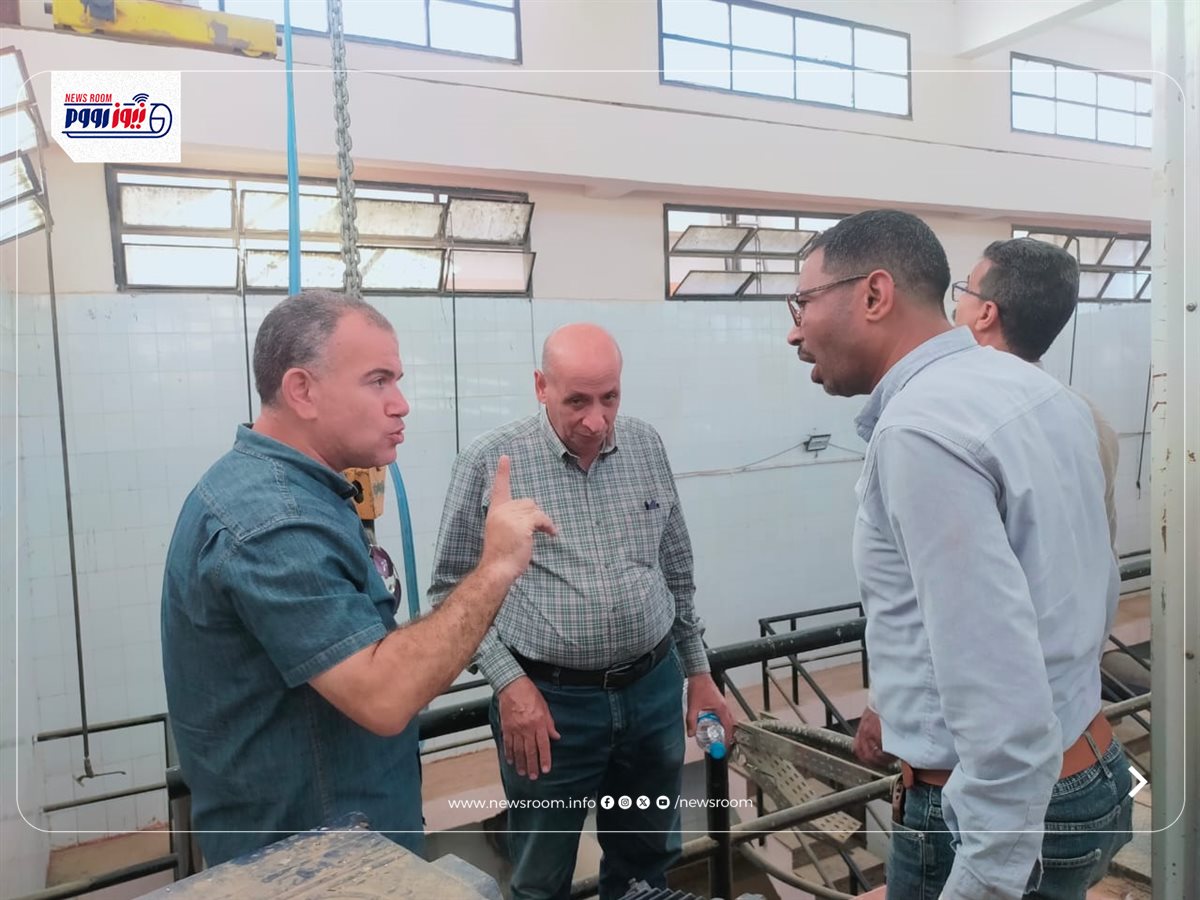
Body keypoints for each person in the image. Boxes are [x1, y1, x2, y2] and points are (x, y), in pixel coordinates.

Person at [785, 211, 1131, 899]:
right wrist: (896, 701)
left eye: (803, 302)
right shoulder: (1045, 394)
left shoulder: (922, 430)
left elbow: (998, 687)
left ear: (874, 295)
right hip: (1092, 764)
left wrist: (986, 875)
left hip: (992, 816)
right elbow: (1087, 592)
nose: (795, 331)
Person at [161, 290, 555, 866]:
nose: (401, 404)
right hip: (312, 865)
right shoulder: (274, 523)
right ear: (302, 390)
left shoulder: (303, 493)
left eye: (397, 381)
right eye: (378, 381)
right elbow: (384, 696)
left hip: (343, 843)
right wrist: (496, 564)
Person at [429, 323, 732, 900]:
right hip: (549, 707)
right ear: (540, 386)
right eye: (577, 401)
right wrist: (509, 683)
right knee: (542, 877)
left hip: (652, 692)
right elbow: (449, 592)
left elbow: (676, 569)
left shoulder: (645, 445)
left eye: (609, 398)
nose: (596, 421)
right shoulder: (490, 464)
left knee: (646, 864)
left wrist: (697, 671)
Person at [854, 236, 1122, 767]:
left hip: (990, 752)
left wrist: (887, 703)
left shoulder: (935, 426)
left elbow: (954, 611)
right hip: (1077, 729)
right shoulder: (1080, 414)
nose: (953, 307)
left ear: (985, 314)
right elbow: (1094, 569)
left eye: (963, 292)